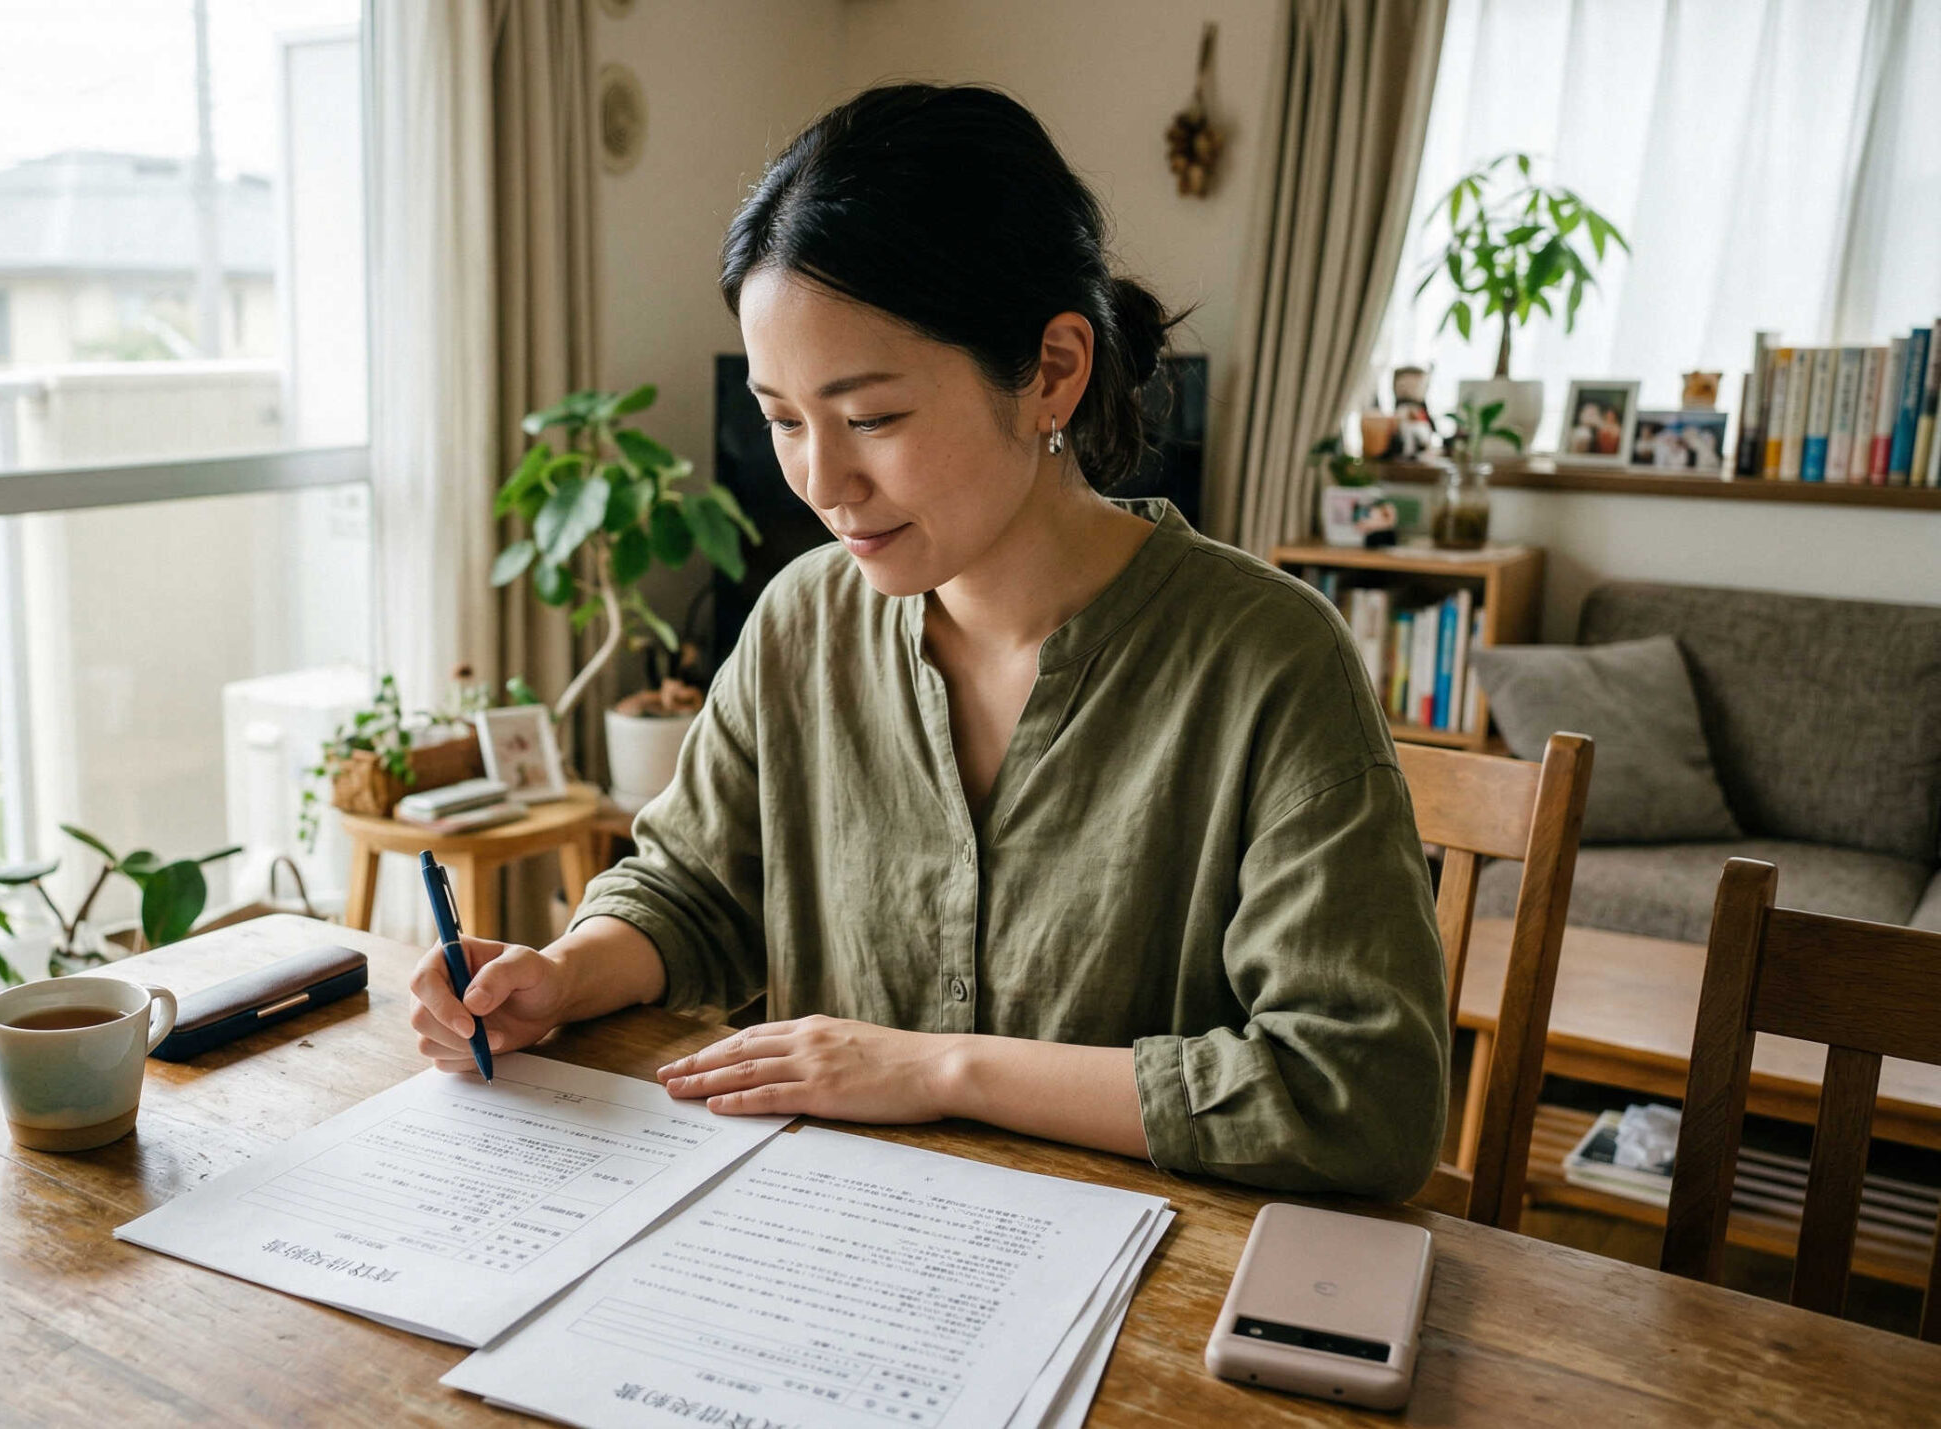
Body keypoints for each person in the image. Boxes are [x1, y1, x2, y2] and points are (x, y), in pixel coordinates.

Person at [407, 84, 1448, 1200]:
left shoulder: (1270, 660)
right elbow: (693, 889)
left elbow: (1362, 1094)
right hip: (832, 1233)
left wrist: (940, 1069)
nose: (822, 481)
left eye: (871, 418)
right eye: (783, 418)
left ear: (1052, 370)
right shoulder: (801, 623)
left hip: (1151, 1273)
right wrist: (563, 975)